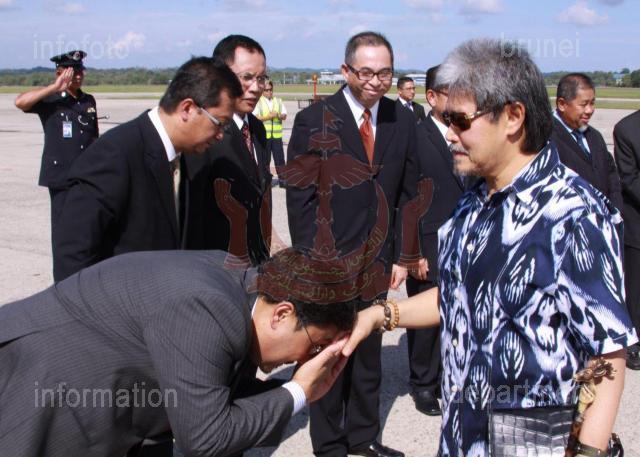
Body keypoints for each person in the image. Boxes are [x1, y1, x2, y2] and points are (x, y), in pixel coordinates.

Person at [344, 38, 637, 457]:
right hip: (462, 436)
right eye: (447, 119)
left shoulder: (572, 213)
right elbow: (460, 297)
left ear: (513, 117)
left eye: (460, 121)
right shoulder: (474, 200)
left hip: (534, 443)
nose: (449, 134)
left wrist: (590, 452)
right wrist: (381, 315)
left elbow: (607, 352)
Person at [0, 249, 358, 457]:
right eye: (315, 345)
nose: (306, 359)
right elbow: (205, 438)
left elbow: (213, 395)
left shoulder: (242, 287)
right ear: (282, 314)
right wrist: (298, 391)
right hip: (39, 393)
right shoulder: (208, 309)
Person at [287, 31, 419, 457]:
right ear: (346, 71)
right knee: (327, 351)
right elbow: (300, 197)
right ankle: (328, 445)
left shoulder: (402, 119)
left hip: (377, 261)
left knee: (367, 355)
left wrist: (404, 254)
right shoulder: (315, 119)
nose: (376, 81)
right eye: (366, 72)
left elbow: (408, 193)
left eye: (385, 73)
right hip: (327, 260)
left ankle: (363, 438)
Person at [52, 56, 240, 282]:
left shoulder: (187, 158)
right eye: (219, 123)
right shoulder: (115, 154)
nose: (220, 135)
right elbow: (72, 256)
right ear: (188, 108)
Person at [404, 65, 472, 417]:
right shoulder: (414, 136)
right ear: (431, 97)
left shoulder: (469, 133)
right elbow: (405, 197)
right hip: (428, 243)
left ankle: (450, 374)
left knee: (459, 312)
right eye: (452, 94)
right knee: (426, 321)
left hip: (465, 240)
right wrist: (411, 250)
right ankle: (423, 384)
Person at [185, 35, 273, 267]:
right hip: (216, 266)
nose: (256, 88)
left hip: (255, 264)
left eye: (261, 78)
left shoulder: (257, 129)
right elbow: (192, 212)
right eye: (247, 78)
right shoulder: (204, 132)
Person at [14, 50, 98, 259]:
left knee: (86, 227)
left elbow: (94, 137)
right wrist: (54, 87)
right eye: (73, 72)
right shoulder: (50, 100)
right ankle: (63, 272)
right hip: (61, 176)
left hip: (86, 175)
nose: (79, 76)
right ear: (60, 73)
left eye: (80, 71)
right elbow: (20, 102)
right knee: (62, 230)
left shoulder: (88, 101)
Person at [551, 73, 623, 210]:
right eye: (583, 104)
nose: (590, 110)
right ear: (562, 104)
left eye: (592, 103)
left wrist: (615, 210)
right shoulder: (545, 138)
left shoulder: (594, 136)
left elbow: (612, 176)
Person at [614, 109, 640, 370]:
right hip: (637, 224)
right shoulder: (626, 129)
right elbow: (630, 179)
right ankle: (633, 343)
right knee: (636, 288)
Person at [254, 80, 288, 187]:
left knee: (280, 159)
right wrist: (268, 117)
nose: (269, 92)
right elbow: (256, 117)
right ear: (262, 91)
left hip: (276, 136)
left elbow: (284, 115)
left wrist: (277, 115)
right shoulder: (258, 102)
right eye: (266, 90)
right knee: (265, 161)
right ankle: (266, 181)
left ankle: (283, 181)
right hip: (265, 137)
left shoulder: (278, 101)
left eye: (271, 90)